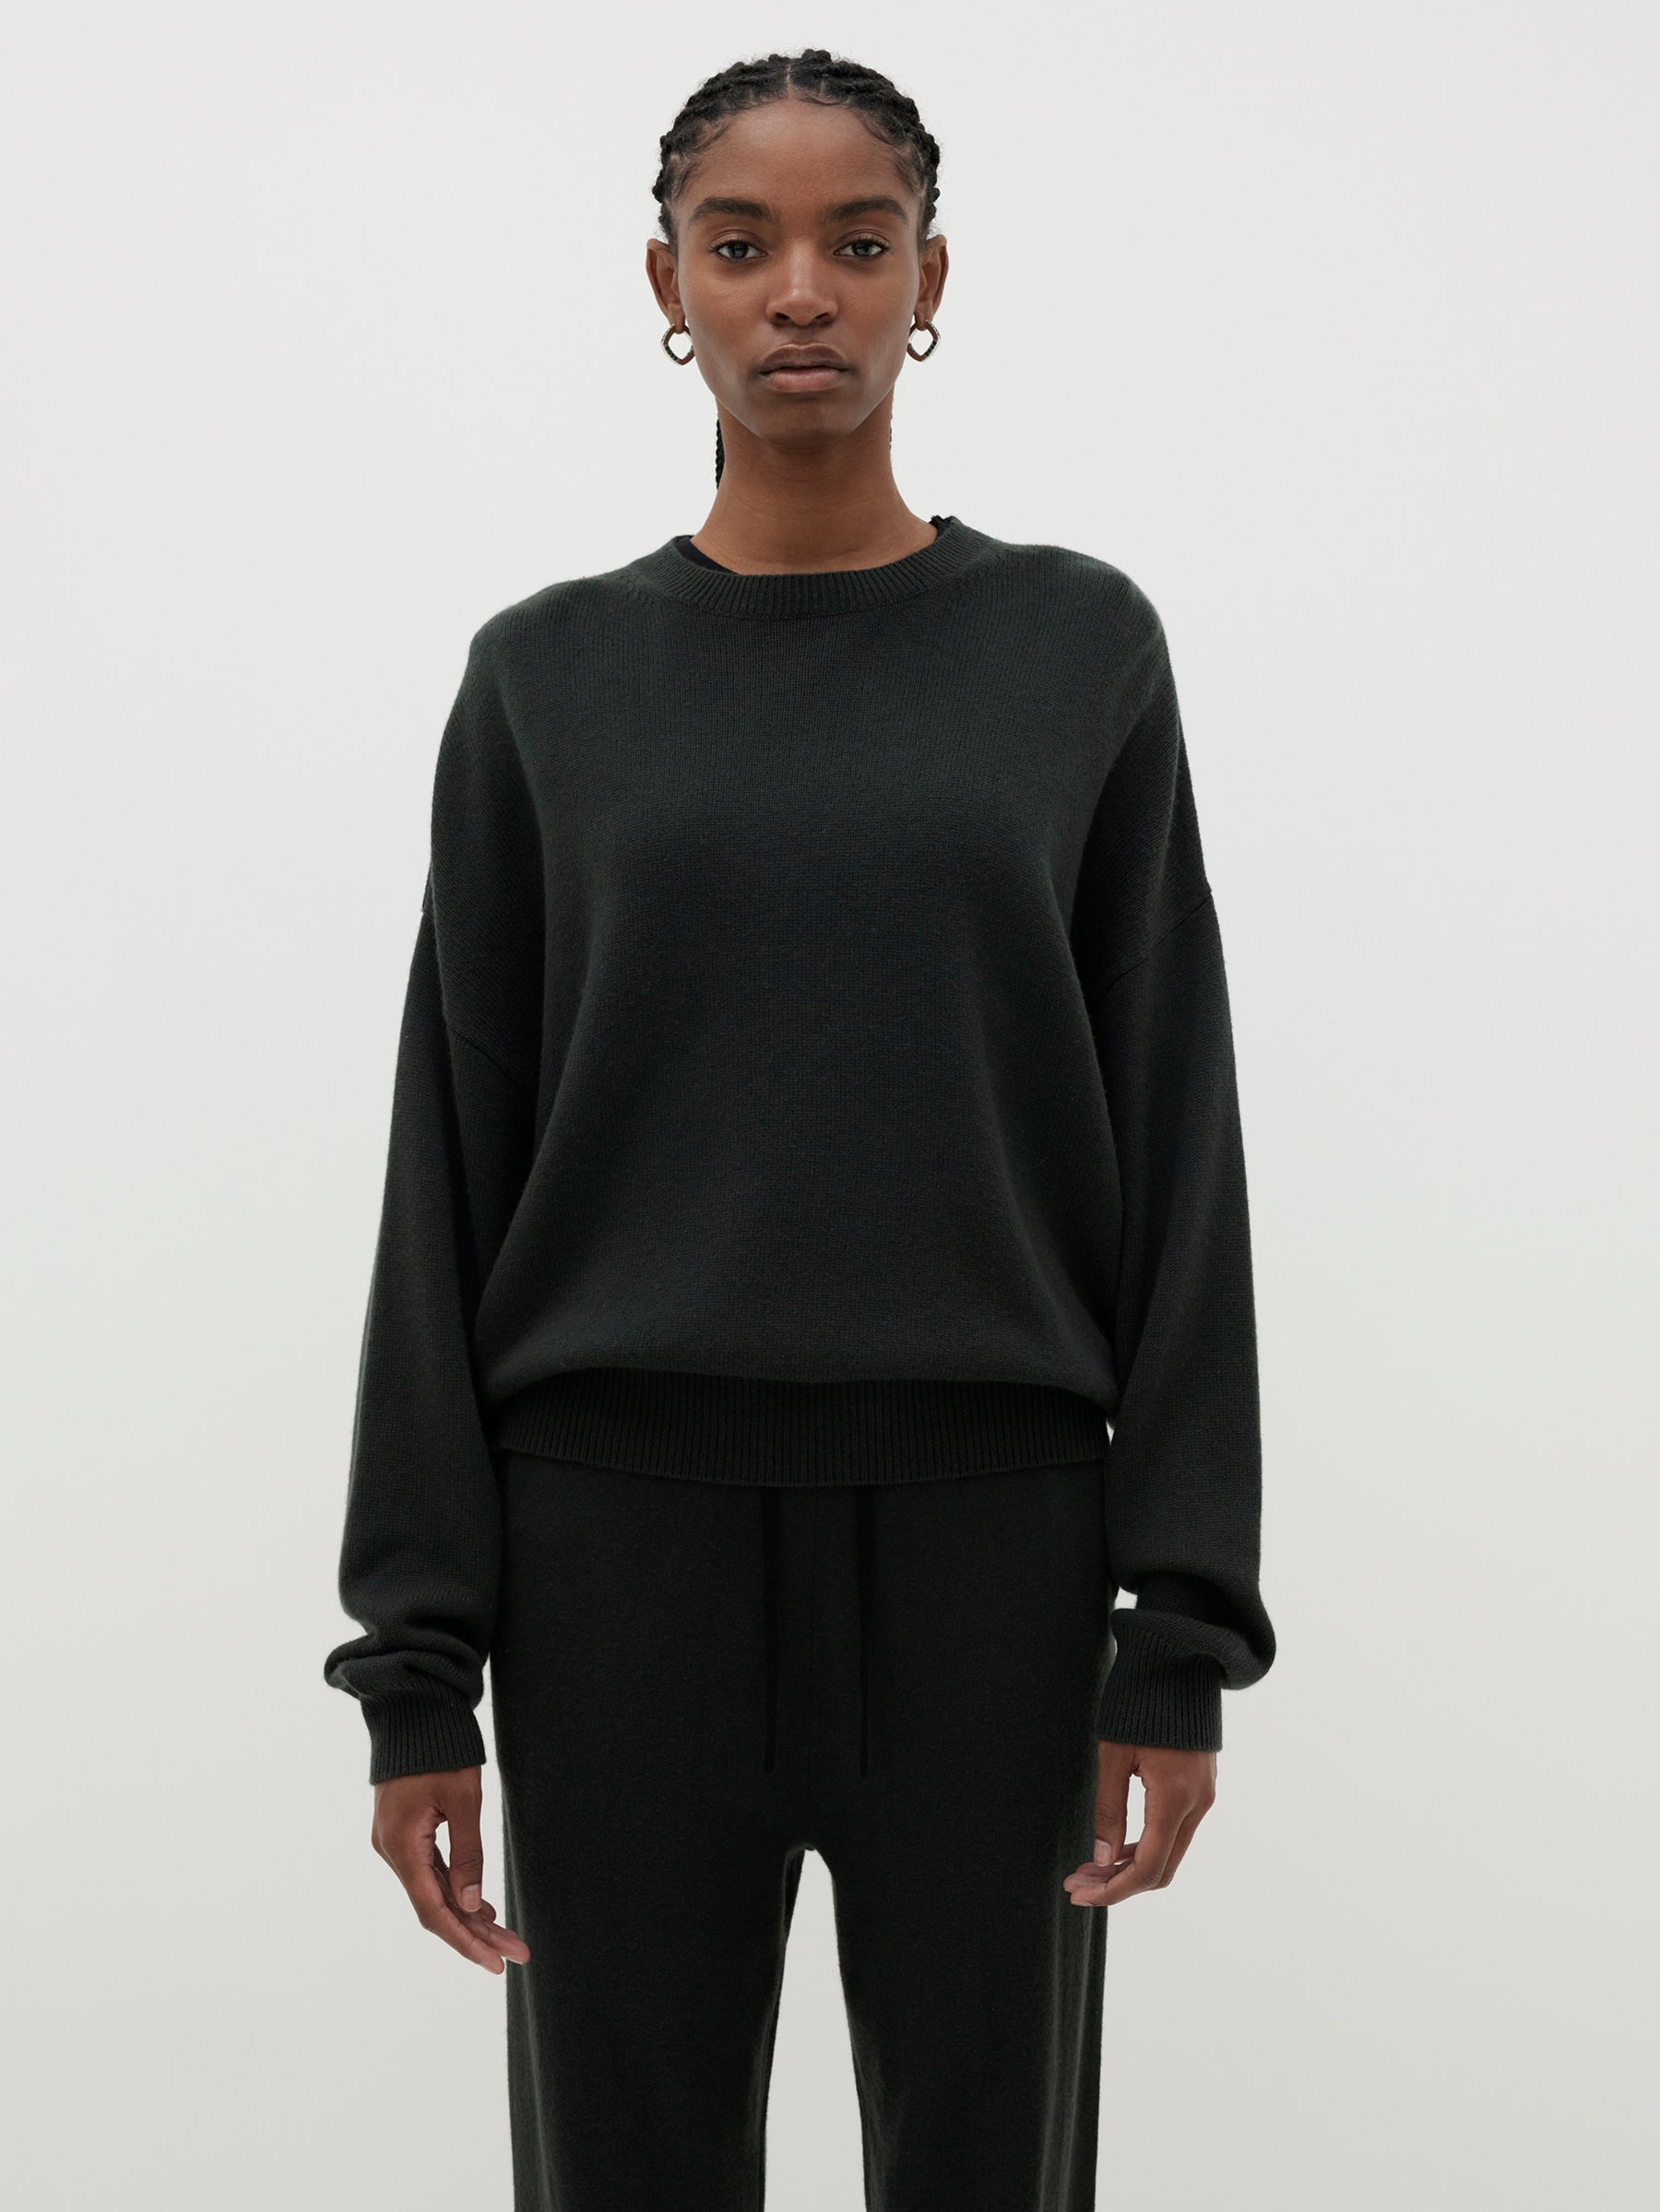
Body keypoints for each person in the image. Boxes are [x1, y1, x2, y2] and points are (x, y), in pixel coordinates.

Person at [324, 45, 1276, 2212]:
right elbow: (445, 1170)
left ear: (934, 275)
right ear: (665, 282)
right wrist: (416, 1672)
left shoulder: (1078, 652)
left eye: (859, 241)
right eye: (740, 244)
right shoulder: (545, 682)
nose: (803, 293)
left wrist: (1182, 1628)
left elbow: (1179, 1140)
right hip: (615, 1561)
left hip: (994, 1560)